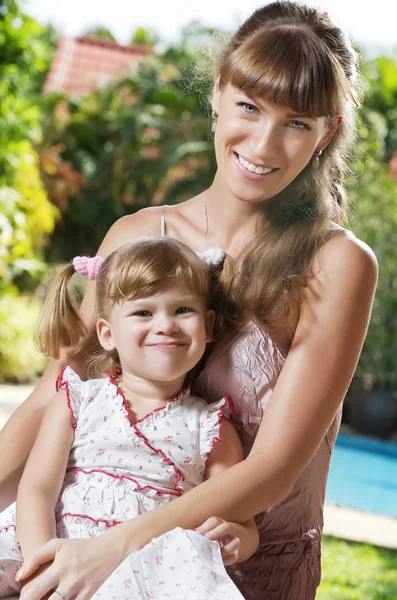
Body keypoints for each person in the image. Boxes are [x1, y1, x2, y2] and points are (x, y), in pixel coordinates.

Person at [0, 2, 378, 599]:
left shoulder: (335, 264)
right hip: (85, 542)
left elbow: (272, 470)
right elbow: (55, 396)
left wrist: (113, 549)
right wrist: (79, 547)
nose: (264, 142)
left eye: (297, 123)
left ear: (327, 131)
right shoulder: (134, 237)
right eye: (249, 108)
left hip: (242, 571)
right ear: (219, 92)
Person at [0, 237, 258, 599]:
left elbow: (242, 518)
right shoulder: (78, 401)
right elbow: (37, 490)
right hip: (51, 545)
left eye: (183, 310)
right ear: (107, 334)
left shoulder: (211, 428)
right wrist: (43, 568)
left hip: (143, 570)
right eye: (143, 312)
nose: (165, 325)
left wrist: (238, 538)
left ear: (209, 325)